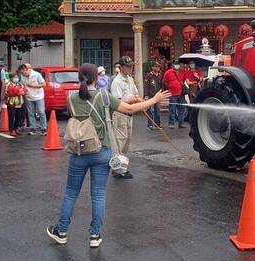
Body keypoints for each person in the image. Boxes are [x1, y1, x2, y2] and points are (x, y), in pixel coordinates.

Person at [46, 63, 171, 248]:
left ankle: (61, 231)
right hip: (101, 151)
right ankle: (95, 236)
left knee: (71, 193)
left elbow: (76, 115)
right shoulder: (103, 96)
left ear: (80, 77)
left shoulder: (71, 98)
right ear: (97, 78)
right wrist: (154, 100)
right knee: (98, 194)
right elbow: (128, 110)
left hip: (79, 151)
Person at [109, 56, 141, 179]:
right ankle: (118, 169)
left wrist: (138, 99)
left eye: (131, 66)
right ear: (121, 68)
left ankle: (121, 167)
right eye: (128, 66)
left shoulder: (130, 79)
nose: (130, 68)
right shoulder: (117, 81)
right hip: (121, 114)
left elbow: (135, 92)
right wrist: (132, 100)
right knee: (120, 142)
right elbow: (117, 101)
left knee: (127, 141)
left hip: (129, 114)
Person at [20, 63, 47, 135]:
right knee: (31, 113)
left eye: (24, 72)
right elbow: (23, 85)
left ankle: (44, 128)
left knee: (41, 112)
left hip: (39, 96)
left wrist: (34, 86)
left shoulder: (36, 75)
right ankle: (33, 128)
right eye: (22, 73)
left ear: (27, 70)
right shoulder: (22, 76)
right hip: (29, 97)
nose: (23, 75)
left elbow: (44, 84)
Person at [162, 60, 188, 128]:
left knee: (182, 109)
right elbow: (164, 82)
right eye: (176, 64)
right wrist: (168, 89)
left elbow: (185, 81)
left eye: (178, 64)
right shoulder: (168, 72)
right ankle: (171, 123)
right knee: (172, 109)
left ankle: (181, 123)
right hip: (172, 94)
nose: (177, 65)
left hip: (181, 93)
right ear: (173, 65)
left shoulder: (182, 72)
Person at [5, 71, 27, 137]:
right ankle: (11, 130)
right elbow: (11, 92)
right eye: (15, 77)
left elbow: (25, 91)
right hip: (12, 103)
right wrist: (19, 91)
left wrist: (19, 91)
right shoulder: (9, 84)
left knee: (18, 117)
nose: (16, 78)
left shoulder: (20, 84)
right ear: (11, 78)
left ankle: (16, 128)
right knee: (11, 117)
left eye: (17, 77)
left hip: (20, 103)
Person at [143, 62, 163, 130]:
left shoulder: (160, 75)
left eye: (158, 67)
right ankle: (150, 124)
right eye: (156, 66)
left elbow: (162, 85)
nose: (157, 68)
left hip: (157, 96)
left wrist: (162, 93)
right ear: (152, 68)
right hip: (150, 96)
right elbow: (146, 86)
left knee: (158, 111)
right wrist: (146, 95)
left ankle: (157, 124)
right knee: (150, 110)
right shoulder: (149, 75)